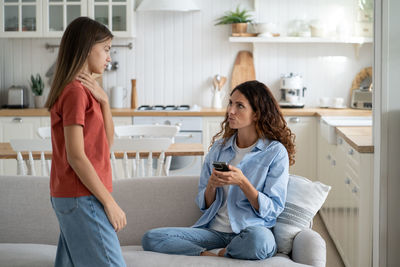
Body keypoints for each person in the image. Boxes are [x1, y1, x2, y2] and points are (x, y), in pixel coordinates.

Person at [142, 80, 295, 260]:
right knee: (151, 237)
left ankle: (224, 252)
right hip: (214, 232)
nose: (230, 111)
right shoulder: (219, 148)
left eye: (240, 106)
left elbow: (274, 209)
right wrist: (211, 187)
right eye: (230, 103)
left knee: (260, 242)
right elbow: (203, 204)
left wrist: (243, 183)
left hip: (251, 231)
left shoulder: (275, 152)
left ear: (256, 114)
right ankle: (209, 255)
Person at [45, 17, 126, 267]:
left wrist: (104, 102)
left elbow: (106, 143)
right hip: (82, 195)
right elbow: (76, 156)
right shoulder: (75, 92)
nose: (108, 57)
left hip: (77, 195)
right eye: (106, 49)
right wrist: (110, 203)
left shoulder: (83, 92)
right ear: (87, 46)